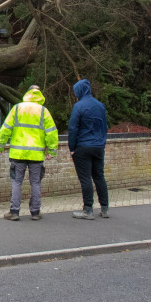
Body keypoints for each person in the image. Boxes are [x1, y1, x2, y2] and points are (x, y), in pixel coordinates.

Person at [0, 85, 58, 221]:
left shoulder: (17, 108)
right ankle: (35, 212)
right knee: (35, 183)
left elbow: (6, 128)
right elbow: (51, 133)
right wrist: (52, 151)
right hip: (36, 155)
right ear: (39, 95)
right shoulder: (43, 111)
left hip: (18, 154)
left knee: (17, 182)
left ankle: (14, 212)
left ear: (27, 93)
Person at [68, 78, 109, 219]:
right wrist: (102, 143)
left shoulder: (79, 106)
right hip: (98, 146)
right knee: (99, 177)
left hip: (83, 146)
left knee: (85, 178)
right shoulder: (100, 106)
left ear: (79, 91)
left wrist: (71, 147)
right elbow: (104, 127)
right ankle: (105, 209)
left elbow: (73, 128)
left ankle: (88, 210)